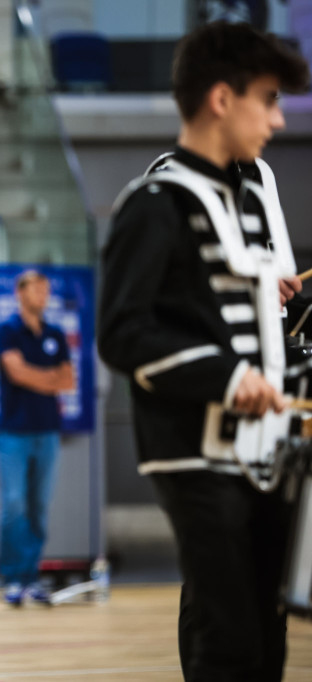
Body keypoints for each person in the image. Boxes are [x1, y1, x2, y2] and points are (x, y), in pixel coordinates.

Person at [98, 23, 309, 681]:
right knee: (230, 641)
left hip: (265, 444)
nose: (278, 118)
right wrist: (230, 377)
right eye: (268, 99)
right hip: (195, 448)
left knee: (266, 640)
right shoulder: (157, 204)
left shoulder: (251, 194)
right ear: (222, 98)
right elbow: (124, 334)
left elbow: (262, 320)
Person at [0, 270, 74, 606]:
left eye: (46, 290)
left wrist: (37, 377)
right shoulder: (8, 331)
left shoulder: (55, 333)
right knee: (14, 505)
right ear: (20, 292)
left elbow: (68, 380)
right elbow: (15, 371)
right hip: (15, 432)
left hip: (48, 432)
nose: (43, 295)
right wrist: (49, 378)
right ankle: (13, 577)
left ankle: (31, 576)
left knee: (40, 506)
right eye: (36, 289)